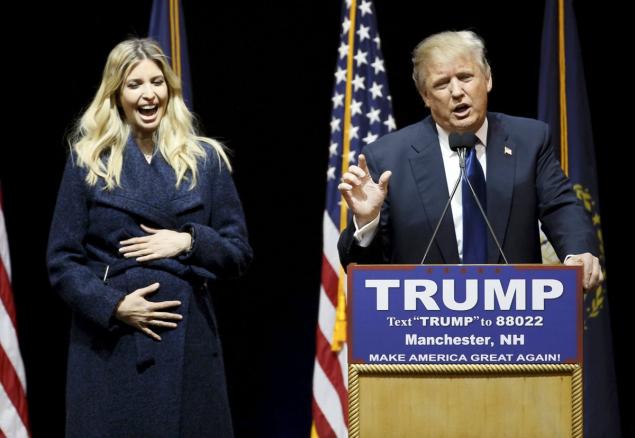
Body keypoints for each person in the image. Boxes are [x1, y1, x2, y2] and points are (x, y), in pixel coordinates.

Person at [47, 38, 252, 437]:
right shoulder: (88, 161)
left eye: (157, 82)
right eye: (134, 84)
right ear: (117, 95)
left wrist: (189, 241)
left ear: (170, 90)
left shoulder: (205, 160)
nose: (148, 93)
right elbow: (62, 261)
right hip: (111, 349)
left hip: (188, 345)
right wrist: (114, 305)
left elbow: (238, 253)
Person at [337, 30, 602, 290]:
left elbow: (560, 205)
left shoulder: (529, 140)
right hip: (423, 323)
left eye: (465, 77)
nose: (456, 92)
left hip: (516, 318)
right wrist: (367, 221)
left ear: (487, 79)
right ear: (425, 96)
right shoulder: (388, 158)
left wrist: (578, 251)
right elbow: (362, 268)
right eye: (441, 84)